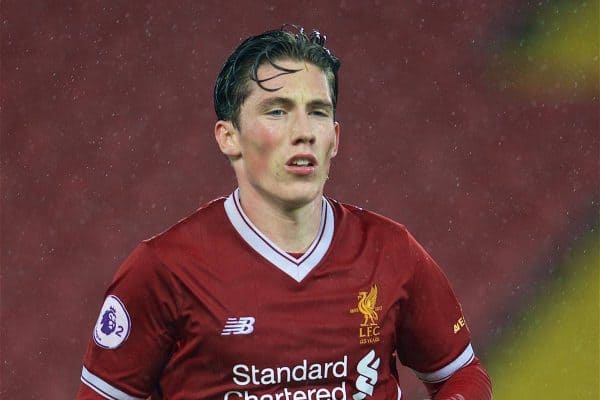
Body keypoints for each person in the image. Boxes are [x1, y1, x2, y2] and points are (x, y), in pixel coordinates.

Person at [77, 26, 492, 400]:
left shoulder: (390, 251)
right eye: (277, 111)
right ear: (229, 137)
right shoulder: (163, 269)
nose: (304, 131)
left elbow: (462, 375)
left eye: (318, 111)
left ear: (335, 138)